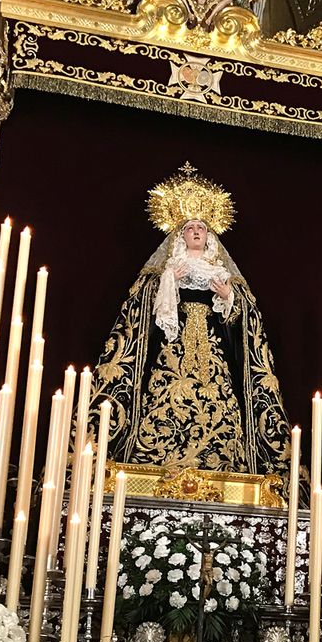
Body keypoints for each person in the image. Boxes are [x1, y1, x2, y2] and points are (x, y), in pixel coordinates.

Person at [94, 164, 291, 476]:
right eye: (189, 228)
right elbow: (140, 314)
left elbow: (245, 324)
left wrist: (228, 297)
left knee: (220, 401)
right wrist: (169, 282)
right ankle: (157, 458)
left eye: (201, 227)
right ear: (179, 236)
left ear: (209, 236)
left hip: (212, 353)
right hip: (173, 350)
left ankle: (223, 462)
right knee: (166, 397)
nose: (196, 231)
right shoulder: (164, 270)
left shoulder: (223, 273)